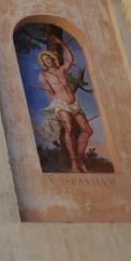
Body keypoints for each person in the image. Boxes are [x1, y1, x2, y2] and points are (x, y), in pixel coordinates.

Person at [38, 36, 93, 172]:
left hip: (74, 104)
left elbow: (70, 59)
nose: (47, 61)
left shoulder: (61, 70)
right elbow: (49, 92)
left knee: (87, 130)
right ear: (43, 63)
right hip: (61, 104)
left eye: (49, 58)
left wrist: (62, 44)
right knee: (68, 129)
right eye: (45, 60)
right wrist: (55, 110)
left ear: (52, 59)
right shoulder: (44, 76)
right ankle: (74, 163)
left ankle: (80, 159)